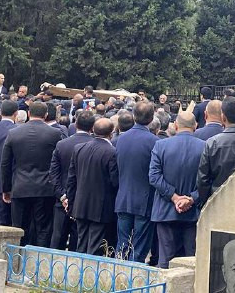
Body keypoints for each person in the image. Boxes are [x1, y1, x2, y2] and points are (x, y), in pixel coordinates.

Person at [149, 111, 206, 268]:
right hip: (193, 213)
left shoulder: (161, 145)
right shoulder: (204, 147)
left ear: (175, 125)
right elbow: (208, 180)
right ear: (195, 126)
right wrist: (191, 199)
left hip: (165, 211)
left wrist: (174, 197)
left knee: (165, 261)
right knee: (190, 262)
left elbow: (154, 176)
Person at [1, 101, 62, 246]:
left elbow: (5, 163)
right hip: (45, 188)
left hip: (20, 186)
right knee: (43, 229)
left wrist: (6, 188)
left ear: (29, 113)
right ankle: (39, 258)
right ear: (46, 115)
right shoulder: (55, 133)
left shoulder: (14, 133)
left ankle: (17, 257)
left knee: (19, 229)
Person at [66, 117, 119, 255]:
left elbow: (71, 179)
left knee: (81, 243)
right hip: (100, 207)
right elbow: (115, 182)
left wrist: (71, 203)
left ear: (93, 130)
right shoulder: (112, 152)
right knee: (94, 246)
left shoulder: (79, 148)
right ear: (111, 133)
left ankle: (79, 267)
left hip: (81, 204)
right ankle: (89, 269)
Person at [115, 101, 159, 262]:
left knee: (122, 244)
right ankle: (133, 273)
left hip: (123, 197)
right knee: (139, 247)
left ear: (134, 116)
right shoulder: (155, 141)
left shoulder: (120, 139)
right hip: (144, 201)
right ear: (151, 118)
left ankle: (120, 270)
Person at [50, 110, 95, 251]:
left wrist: (62, 196)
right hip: (84, 202)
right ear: (92, 127)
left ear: (75, 124)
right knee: (79, 242)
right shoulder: (95, 146)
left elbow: (53, 174)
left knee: (58, 239)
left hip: (62, 200)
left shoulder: (62, 144)